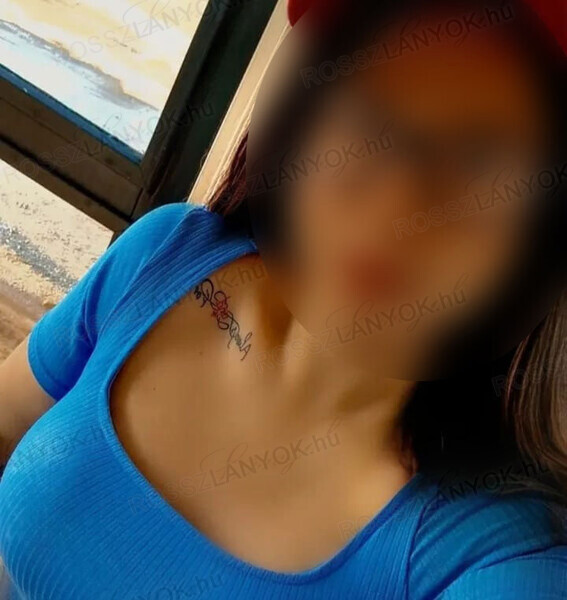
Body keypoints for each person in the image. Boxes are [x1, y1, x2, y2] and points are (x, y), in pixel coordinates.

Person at [0, 0, 565, 598]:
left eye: (481, 161)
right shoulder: (164, 253)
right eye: (369, 110)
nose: (398, 201)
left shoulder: (486, 556)